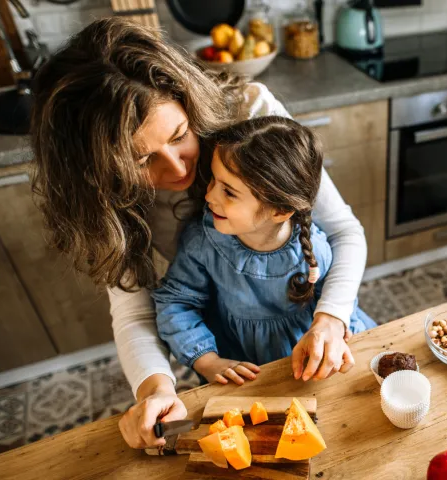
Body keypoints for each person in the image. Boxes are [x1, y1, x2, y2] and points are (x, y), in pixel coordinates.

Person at [30, 17, 369, 450]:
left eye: (180, 135)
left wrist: (331, 318)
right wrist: (156, 389)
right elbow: (138, 311)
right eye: (140, 161)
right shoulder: (109, 197)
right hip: (234, 349)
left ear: (188, 103)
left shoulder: (251, 114)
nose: (178, 170)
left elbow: (342, 230)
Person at [152, 116, 376, 386]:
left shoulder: (314, 249)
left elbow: (341, 304)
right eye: (214, 180)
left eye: (229, 192)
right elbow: (175, 304)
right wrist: (207, 361)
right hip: (244, 372)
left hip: (309, 369)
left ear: (280, 211)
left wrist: (333, 346)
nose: (209, 196)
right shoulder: (202, 242)